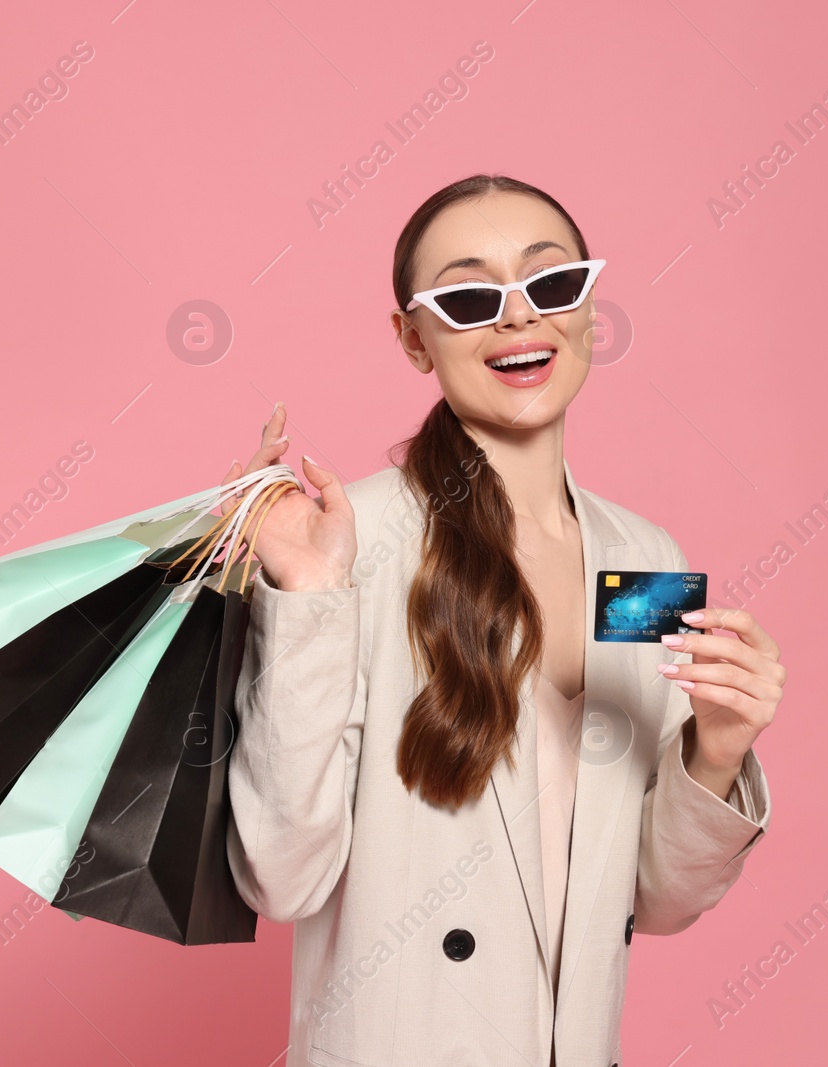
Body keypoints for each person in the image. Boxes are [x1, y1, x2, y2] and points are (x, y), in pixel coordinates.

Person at [222, 174, 786, 1067]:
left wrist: (715, 750)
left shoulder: (642, 559)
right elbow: (280, 878)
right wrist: (307, 596)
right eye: (470, 295)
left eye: (552, 283)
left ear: (590, 312)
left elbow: (656, 897)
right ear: (414, 339)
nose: (519, 318)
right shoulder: (346, 538)